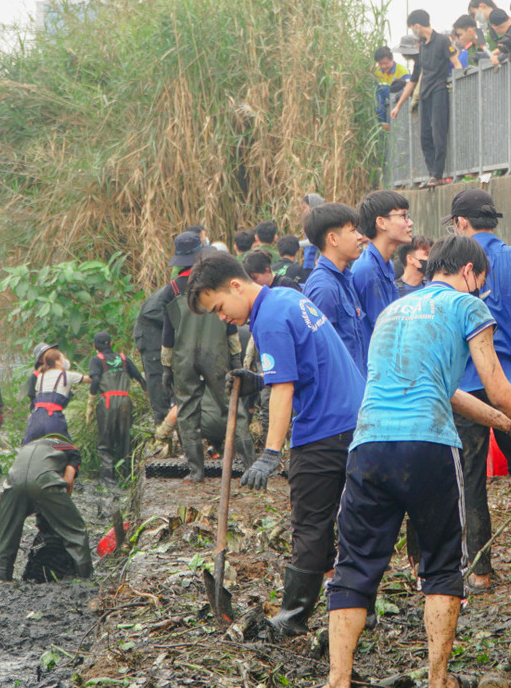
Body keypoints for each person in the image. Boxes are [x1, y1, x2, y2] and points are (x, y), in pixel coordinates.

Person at [326, 236, 511, 688]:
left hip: (368, 447)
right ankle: (438, 680)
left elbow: (437, 385)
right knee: (441, 567)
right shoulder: (466, 307)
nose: (481, 290)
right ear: (470, 272)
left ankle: (338, 679)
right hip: (429, 448)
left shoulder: (394, 311)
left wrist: (500, 421)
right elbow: (495, 383)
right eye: (482, 282)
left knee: (355, 566)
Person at [185, 250, 367, 637]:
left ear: (235, 286)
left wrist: (270, 453)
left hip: (324, 428)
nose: (223, 318)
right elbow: (299, 365)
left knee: (311, 524)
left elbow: (284, 389)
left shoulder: (268, 318)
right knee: (342, 521)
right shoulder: (288, 297)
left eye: (219, 307)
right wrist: (259, 378)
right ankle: (346, 601)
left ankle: (292, 619)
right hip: (352, 419)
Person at [446, 189, 511, 590]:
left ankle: (481, 571)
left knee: (471, 479)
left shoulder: (451, 265)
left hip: (466, 391)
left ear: (461, 224)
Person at [161, 231, 252, 481]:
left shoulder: (172, 288)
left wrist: (166, 366)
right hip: (216, 352)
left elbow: (168, 332)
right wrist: (235, 356)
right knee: (232, 405)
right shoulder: (214, 282)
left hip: (183, 356)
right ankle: (249, 465)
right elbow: (230, 325)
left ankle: (196, 471)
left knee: (187, 410)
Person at [0, 434, 93, 582]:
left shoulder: (28, 447)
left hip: (13, 481)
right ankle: (86, 578)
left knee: (7, 535)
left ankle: (2, 578)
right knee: (76, 531)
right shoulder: (71, 450)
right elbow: (68, 480)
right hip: (42, 480)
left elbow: (27, 477)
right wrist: (62, 508)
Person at [390, 10, 464, 187]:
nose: (413, 31)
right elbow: (413, 79)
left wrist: (458, 84)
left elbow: (456, 63)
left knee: (438, 133)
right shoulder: (422, 46)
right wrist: (398, 105)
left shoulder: (442, 41)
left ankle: (437, 175)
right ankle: (431, 173)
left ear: (417, 25)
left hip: (439, 90)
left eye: (412, 27)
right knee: (425, 136)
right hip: (425, 93)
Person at [302, 202, 370, 376]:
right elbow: (318, 353)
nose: (360, 237)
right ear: (333, 239)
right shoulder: (324, 288)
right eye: (353, 230)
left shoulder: (344, 280)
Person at [350, 190, 413, 331]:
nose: (410, 223)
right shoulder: (368, 270)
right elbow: (384, 330)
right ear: (381, 223)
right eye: (403, 216)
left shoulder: (385, 264)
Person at [88, 331, 145, 483]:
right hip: (126, 401)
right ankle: (127, 476)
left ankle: (108, 477)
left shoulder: (96, 360)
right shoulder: (124, 359)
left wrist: (90, 403)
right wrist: (148, 395)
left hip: (107, 402)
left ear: (95, 346)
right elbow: (140, 377)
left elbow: (95, 381)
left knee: (105, 441)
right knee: (125, 439)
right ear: (111, 343)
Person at [23, 346, 90, 446]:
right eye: (63, 358)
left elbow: (37, 396)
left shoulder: (41, 376)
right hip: (53, 419)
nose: (65, 360)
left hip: (35, 418)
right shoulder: (67, 375)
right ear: (58, 362)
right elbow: (90, 379)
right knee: (70, 452)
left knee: (27, 448)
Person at [134, 279, 176, 419]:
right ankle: (163, 423)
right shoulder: (175, 289)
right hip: (151, 335)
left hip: (158, 331)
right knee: (158, 380)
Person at [372, 45, 411, 126]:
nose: (383, 66)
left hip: (398, 106)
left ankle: (390, 125)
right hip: (383, 105)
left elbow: (408, 90)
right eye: (380, 63)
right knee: (378, 90)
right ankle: (381, 124)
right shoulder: (376, 72)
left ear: (392, 59)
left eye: (386, 63)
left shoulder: (402, 71)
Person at [302, 193, 326, 271]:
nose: (304, 211)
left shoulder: (319, 223)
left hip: (314, 264)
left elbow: (312, 241)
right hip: (308, 264)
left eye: (305, 208)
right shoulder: (310, 223)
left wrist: (296, 244)